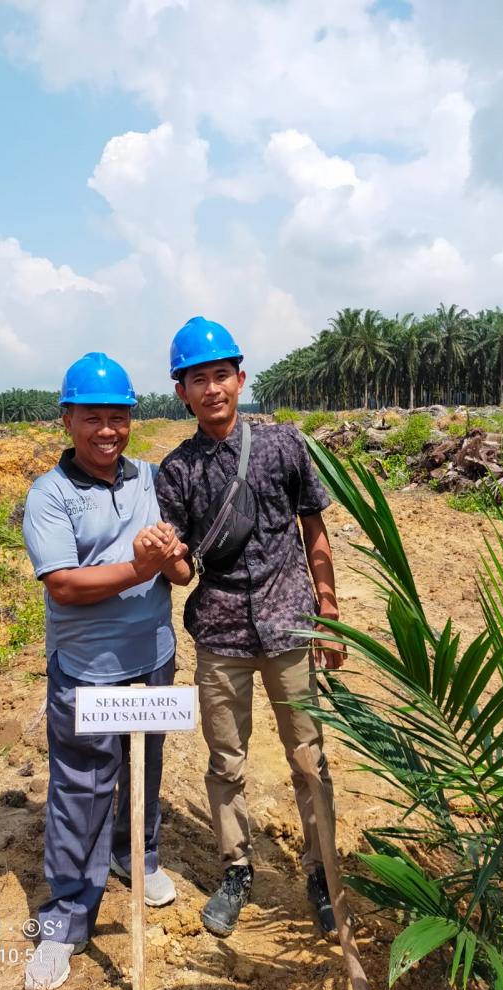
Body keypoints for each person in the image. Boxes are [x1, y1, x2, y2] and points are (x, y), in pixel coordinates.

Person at [156, 316, 345, 939]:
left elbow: (312, 529)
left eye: (220, 375)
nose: (211, 389)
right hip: (220, 635)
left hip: (291, 622)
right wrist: (167, 556)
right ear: (181, 393)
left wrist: (330, 610)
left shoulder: (284, 445)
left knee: (309, 759)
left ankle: (322, 874)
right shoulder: (177, 472)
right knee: (225, 763)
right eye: (196, 380)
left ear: (240, 378)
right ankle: (236, 870)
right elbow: (183, 572)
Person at [21, 352, 192, 990]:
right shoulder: (51, 494)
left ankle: (136, 856)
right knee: (82, 788)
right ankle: (66, 919)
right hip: (86, 670)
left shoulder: (151, 477)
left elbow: (182, 568)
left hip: (151, 659)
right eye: (91, 417)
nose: (106, 431)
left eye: (118, 416)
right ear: (67, 420)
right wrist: (140, 568)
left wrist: (169, 557)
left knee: (145, 766)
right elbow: (64, 585)